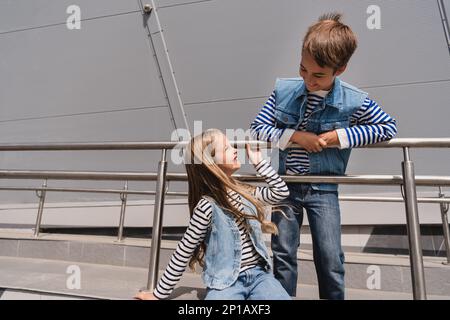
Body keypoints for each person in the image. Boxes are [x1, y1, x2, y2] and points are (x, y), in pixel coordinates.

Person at [250, 13, 398, 299]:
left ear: (339, 70)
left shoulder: (355, 101)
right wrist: (295, 136)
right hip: (284, 187)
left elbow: (387, 127)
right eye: (303, 70)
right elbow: (258, 128)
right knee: (283, 254)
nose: (308, 80)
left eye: (318, 75)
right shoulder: (283, 91)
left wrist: (340, 137)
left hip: (324, 188)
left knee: (330, 258)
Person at [135, 129, 291, 300]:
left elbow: (280, 191)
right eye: (226, 148)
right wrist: (158, 295)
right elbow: (184, 250)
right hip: (225, 281)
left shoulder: (246, 192)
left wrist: (260, 163)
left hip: (260, 276)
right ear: (211, 164)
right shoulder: (206, 206)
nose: (234, 150)